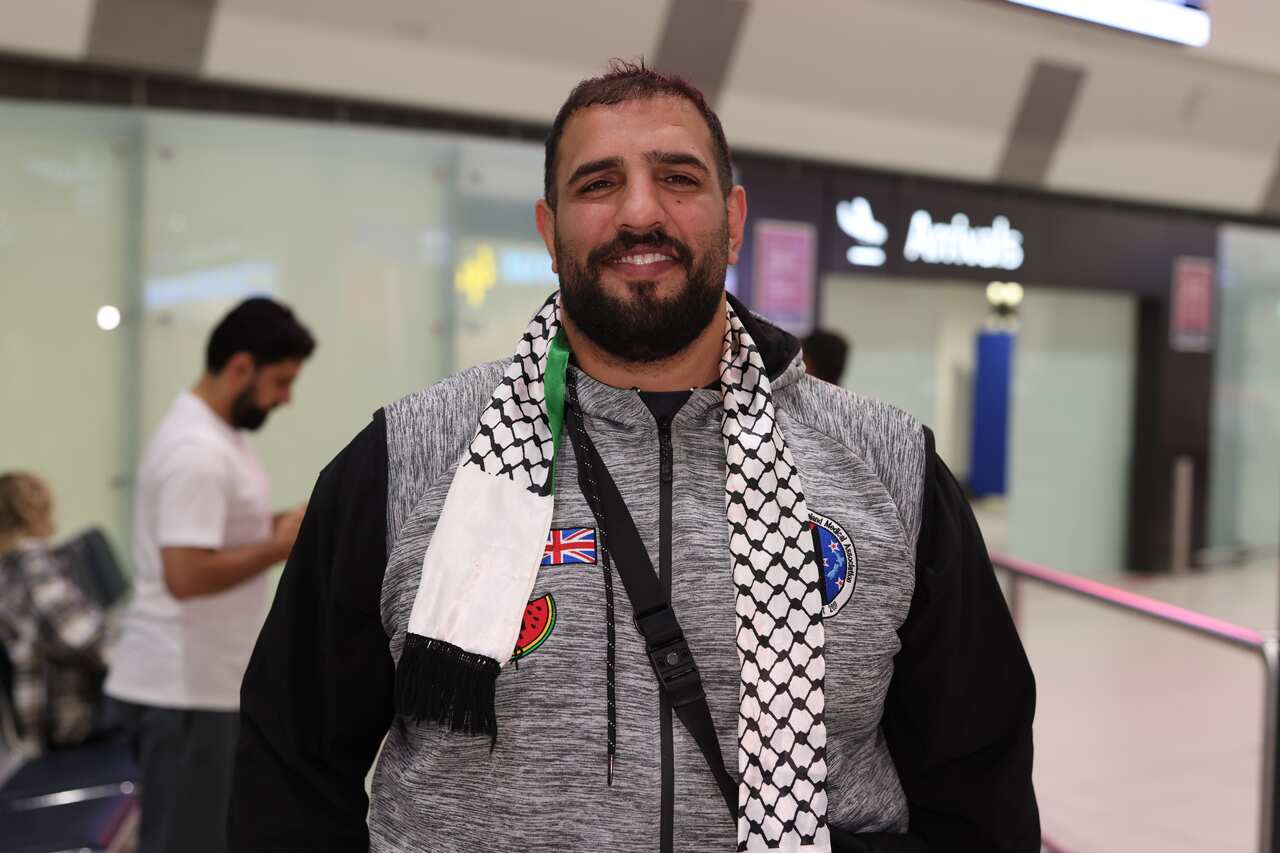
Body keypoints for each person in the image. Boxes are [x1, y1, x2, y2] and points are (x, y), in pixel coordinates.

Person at [229, 62, 1039, 853]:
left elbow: (978, 788)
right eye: (598, 183)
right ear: (550, 232)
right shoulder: (408, 459)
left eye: (679, 179)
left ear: (733, 218)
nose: (640, 212)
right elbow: (289, 777)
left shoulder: (887, 464)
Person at [104, 297, 314, 853]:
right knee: (185, 841)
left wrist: (274, 527)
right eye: (282, 381)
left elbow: (213, 536)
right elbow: (187, 575)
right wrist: (279, 544)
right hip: (182, 688)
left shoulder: (218, 437)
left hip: (200, 683)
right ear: (241, 366)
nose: (287, 399)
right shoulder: (194, 449)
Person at [0, 472, 110, 750]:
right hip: (66, 718)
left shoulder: (7, 566)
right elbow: (83, 638)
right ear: (38, 511)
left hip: (30, 716)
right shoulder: (33, 563)